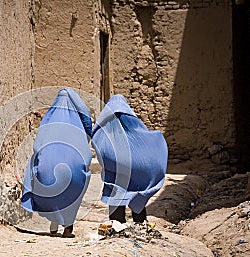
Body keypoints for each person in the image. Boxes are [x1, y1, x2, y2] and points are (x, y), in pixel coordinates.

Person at [21, 88, 92, 237]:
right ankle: (67, 228)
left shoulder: (49, 120)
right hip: (74, 172)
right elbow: (86, 148)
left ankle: (54, 222)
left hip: (49, 174)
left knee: (42, 174)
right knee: (75, 187)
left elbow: (38, 147)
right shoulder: (77, 125)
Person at [91, 94, 168, 223]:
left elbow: (99, 144)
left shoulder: (106, 128)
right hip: (136, 174)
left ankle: (117, 227)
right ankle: (140, 224)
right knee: (138, 192)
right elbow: (146, 142)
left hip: (116, 173)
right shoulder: (134, 123)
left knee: (116, 193)